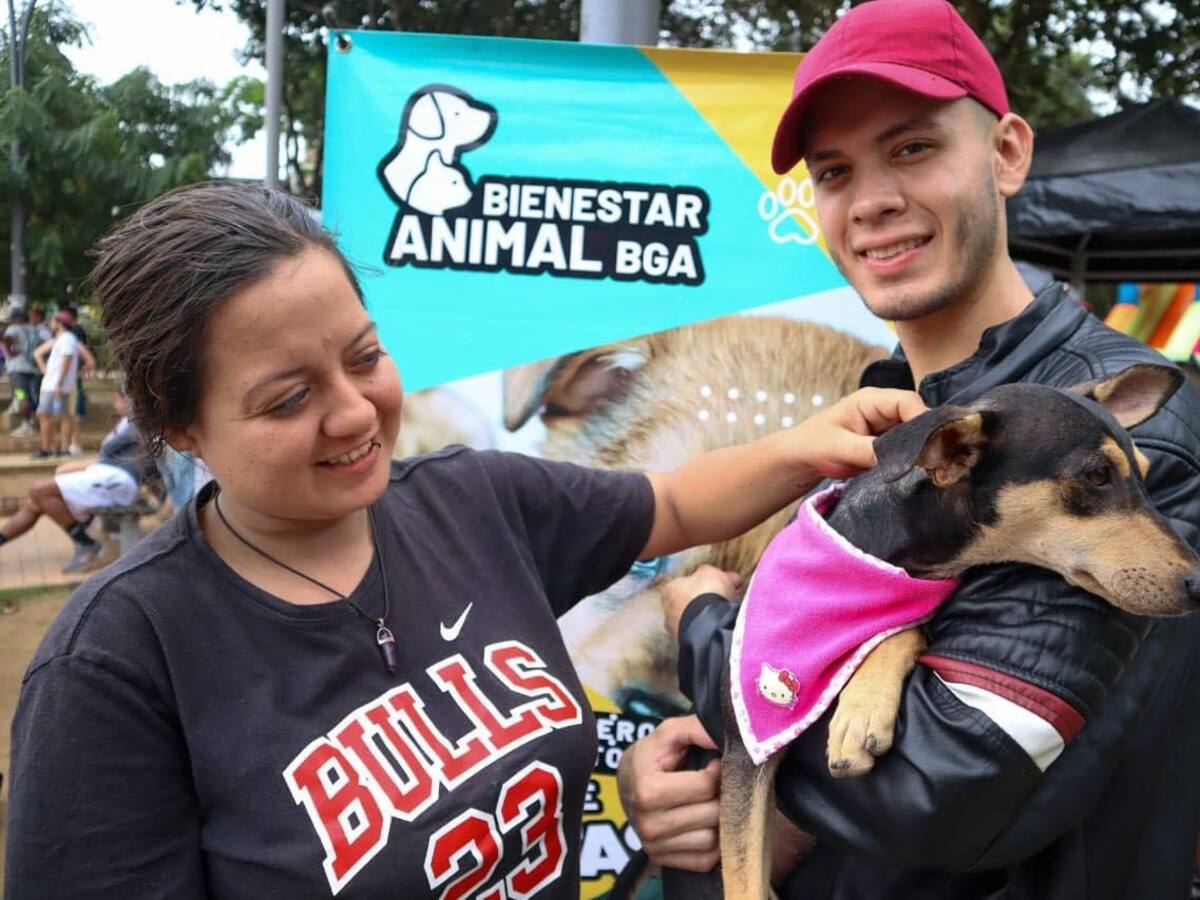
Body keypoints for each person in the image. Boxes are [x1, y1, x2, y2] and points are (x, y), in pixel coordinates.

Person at [3, 181, 926, 898]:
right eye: (288, 399)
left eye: (364, 356)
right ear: (179, 428)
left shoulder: (475, 500)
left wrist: (811, 444)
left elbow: (677, 505)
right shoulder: (121, 663)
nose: (353, 411)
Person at [617, 1, 1200, 898]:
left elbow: (938, 788)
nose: (874, 199)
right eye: (836, 171)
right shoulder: (882, 420)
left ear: (1006, 153)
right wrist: (687, 777)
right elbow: (825, 660)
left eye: (913, 148)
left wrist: (704, 633)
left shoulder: (1114, 435)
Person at [0, 381, 149, 573]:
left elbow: (118, 459)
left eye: (117, 398)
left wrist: (79, 465)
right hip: (106, 477)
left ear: (128, 401)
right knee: (36, 502)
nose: (114, 403)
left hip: (119, 481)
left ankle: (86, 542)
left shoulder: (139, 424)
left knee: (40, 490)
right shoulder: (126, 423)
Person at [31, 310, 90, 458]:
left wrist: (59, 382)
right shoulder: (65, 338)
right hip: (57, 384)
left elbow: (67, 358)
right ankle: (62, 449)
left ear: (59, 323)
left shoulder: (66, 339)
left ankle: (46, 449)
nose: (50, 324)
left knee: (43, 414)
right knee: (63, 415)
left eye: (53, 321)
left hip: (55, 385)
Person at [4, 308, 42, 437]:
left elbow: (7, 339)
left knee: (21, 396)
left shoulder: (13, 328)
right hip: (32, 369)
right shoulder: (33, 329)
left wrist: (8, 352)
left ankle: (27, 425)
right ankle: (35, 423)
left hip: (17, 369)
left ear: (16, 318)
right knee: (31, 397)